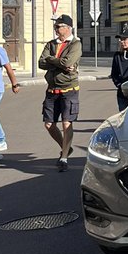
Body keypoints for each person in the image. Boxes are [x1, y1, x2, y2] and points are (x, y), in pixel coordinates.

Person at [39, 15, 82, 172]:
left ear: (68, 28)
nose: (56, 29)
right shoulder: (51, 44)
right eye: (55, 26)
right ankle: (66, 147)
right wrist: (58, 63)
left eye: (59, 26)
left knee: (66, 122)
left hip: (68, 89)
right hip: (52, 90)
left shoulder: (75, 44)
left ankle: (64, 157)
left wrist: (51, 61)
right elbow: (41, 62)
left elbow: (68, 62)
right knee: (49, 124)